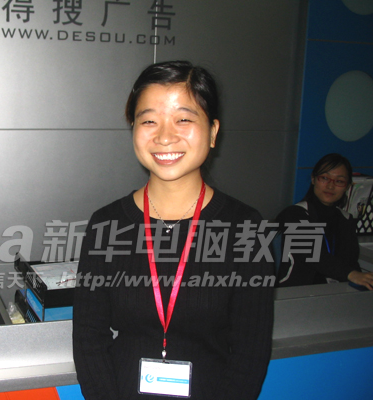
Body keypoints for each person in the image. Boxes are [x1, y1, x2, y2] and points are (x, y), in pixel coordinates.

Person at [72, 61, 274, 400]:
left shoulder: (247, 228)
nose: (165, 136)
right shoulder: (107, 225)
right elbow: (88, 340)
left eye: (184, 119)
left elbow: (250, 352)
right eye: (149, 120)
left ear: (213, 132)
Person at [275, 153, 373, 289]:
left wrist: (363, 281)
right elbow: (312, 254)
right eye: (325, 178)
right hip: (297, 292)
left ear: (347, 186)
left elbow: (351, 262)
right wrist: (351, 274)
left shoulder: (346, 219)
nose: (330, 186)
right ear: (313, 179)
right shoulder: (295, 214)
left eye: (339, 181)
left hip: (335, 291)